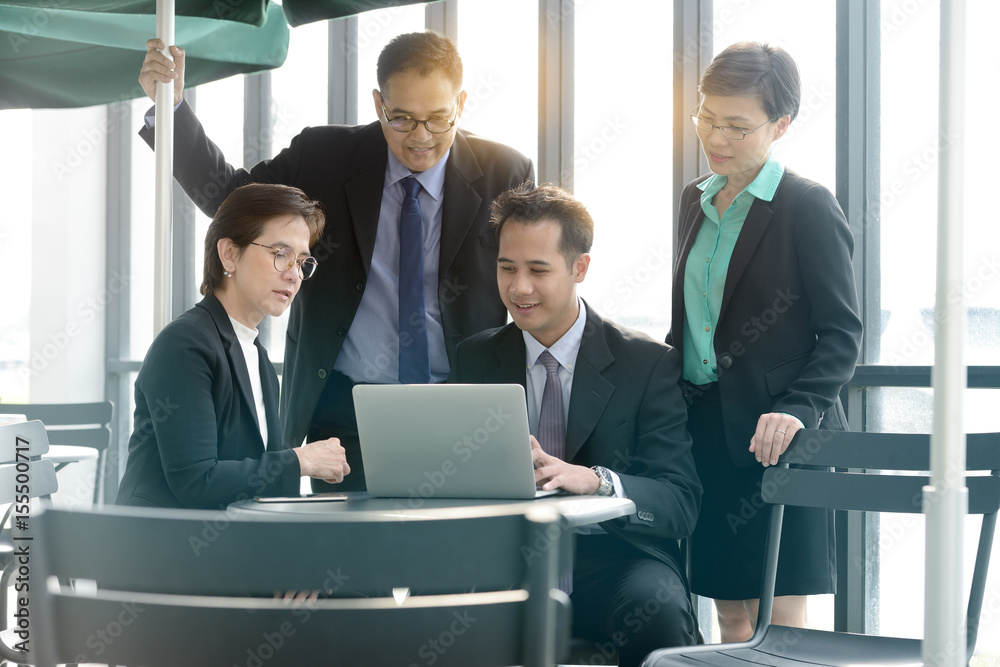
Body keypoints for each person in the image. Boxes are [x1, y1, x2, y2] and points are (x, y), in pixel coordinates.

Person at [137, 31, 534, 491]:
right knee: (350, 552)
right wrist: (171, 108)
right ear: (377, 102)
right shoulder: (324, 156)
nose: (421, 137)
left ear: (461, 104)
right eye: (401, 119)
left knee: (457, 550)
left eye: (438, 120)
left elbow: (533, 271)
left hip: (464, 402)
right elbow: (231, 200)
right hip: (346, 405)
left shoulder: (507, 172)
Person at [449, 183, 702, 666]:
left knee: (660, 610)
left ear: (579, 268)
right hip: (507, 561)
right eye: (507, 268)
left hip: (614, 562)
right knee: (429, 610)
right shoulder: (474, 357)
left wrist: (600, 482)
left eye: (538, 270)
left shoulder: (645, 364)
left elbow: (680, 502)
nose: (518, 288)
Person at [667, 42, 863, 641]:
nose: (715, 136)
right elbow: (691, 326)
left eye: (737, 126)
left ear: (780, 126)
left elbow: (843, 332)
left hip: (780, 436)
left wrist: (796, 409)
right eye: (706, 117)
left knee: (780, 621)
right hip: (706, 433)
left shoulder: (807, 206)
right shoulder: (695, 201)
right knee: (730, 612)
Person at [116, 184, 350, 509]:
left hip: (232, 546)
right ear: (229, 253)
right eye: (280, 255)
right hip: (164, 549)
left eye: (301, 262)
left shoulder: (257, 355)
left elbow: (257, 483)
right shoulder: (185, 345)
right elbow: (196, 482)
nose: (294, 275)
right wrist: (300, 461)